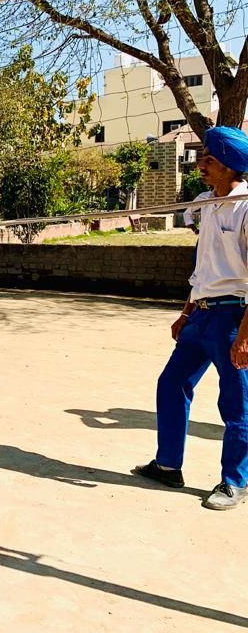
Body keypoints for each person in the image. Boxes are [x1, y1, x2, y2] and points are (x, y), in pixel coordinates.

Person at [135, 126, 248, 510]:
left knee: (237, 403)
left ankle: (235, 482)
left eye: (209, 160)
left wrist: (245, 336)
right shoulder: (205, 203)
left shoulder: (246, 207)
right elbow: (204, 267)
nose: (200, 164)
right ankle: (168, 465)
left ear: (230, 167)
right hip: (200, 315)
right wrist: (186, 311)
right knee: (171, 384)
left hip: (234, 316)